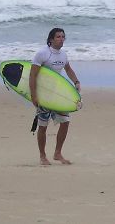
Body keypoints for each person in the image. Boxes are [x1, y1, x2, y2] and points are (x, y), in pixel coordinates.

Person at [29, 27, 81, 166]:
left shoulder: (63, 55)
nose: (61, 39)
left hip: (57, 95)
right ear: (51, 39)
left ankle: (57, 153)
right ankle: (42, 156)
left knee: (65, 122)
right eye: (58, 37)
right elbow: (32, 75)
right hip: (43, 95)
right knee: (43, 125)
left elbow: (68, 69)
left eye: (63, 36)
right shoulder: (42, 54)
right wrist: (34, 95)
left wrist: (76, 81)